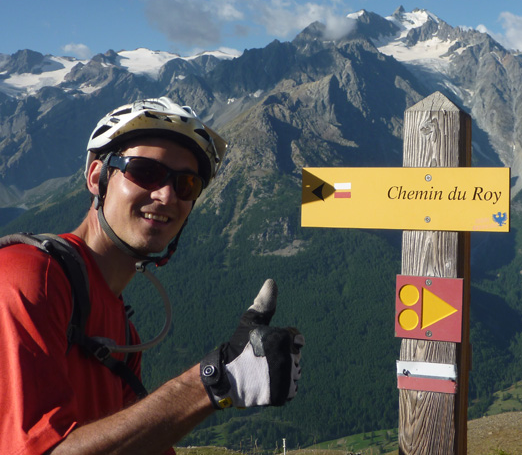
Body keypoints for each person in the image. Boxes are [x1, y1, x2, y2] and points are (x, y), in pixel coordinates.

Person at [0, 97, 304, 455]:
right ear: (97, 178)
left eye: (185, 184)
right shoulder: (27, 276)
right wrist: (213, 381)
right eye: (144, 172)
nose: (165, 195)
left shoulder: (123, 333)